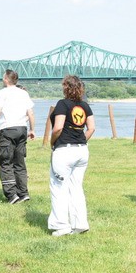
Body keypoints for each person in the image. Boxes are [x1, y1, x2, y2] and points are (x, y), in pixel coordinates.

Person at [48, 75, 95, 237]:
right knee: (76, 188)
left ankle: (62, 226)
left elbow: (58, 128)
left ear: (66, 88)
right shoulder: (85, 106)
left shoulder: (62, 104)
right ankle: (80, 224)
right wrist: (81, 140)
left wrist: (52, 142)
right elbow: (91, 128)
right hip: (82, 151)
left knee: (58, 188)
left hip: (64, 151)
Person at [0, 69, 36, 204]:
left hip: (7, 129)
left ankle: (11, 194)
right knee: (19, 162)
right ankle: (23, 193)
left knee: (6, 162)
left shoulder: (2, 93)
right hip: (22, 129)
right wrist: (32, 129)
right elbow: (31, 113)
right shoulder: (23, 93)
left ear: (5, 79)